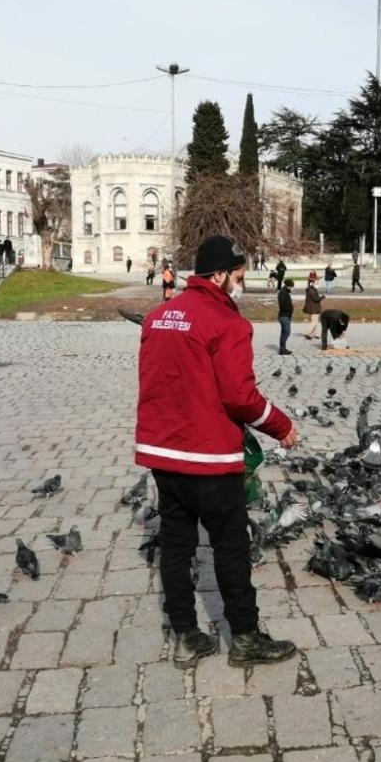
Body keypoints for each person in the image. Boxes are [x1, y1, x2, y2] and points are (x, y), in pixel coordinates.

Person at [135, 235, 298, 668]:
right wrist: (281, 426)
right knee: (230, 548)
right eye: (240, 277)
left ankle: (186, 636)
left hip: (162, 454)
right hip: (208, 457)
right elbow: (240, 397)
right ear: (221, 275)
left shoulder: (159, 316)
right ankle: (244, 638)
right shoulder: (227, 323)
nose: (241, 285)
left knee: (175, 545)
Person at [302, 272, 324, 339]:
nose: (318, 284)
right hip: (313, 307)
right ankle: (308, 333)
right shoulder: (312, 290)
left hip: (314, 307)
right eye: (316, 283)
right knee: (314, 321)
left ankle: (314, 334)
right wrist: (322, 297)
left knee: (315, 321)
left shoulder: (313, 289)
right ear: (312, 283)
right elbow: (316, 299)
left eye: (318, 283)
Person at [277, 278, 294, 354]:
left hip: (285, 315)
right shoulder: (283, 293)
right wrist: (289, 309)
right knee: (287, 332)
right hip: (284, 316)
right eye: (291, 287)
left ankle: (282, 349)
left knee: (284, 332)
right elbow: (283, 305)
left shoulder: (285, 292)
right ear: (288, 286)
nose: (291, 288)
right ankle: (282, 348)